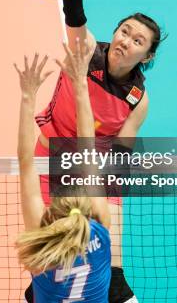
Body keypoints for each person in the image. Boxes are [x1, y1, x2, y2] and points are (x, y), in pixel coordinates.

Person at [35, 0, 166, 303]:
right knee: (54, 253)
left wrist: (99, 188)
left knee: (112, 265)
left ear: (148, 55)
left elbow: (122, 154)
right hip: (49, 159)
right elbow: (75, 15)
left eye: (138, 40)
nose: (126, 41)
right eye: (125, 31)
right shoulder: (87, 50)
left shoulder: (137, 98)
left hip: (96, 168)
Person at [15, 41, 111, 302]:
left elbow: (25, 162)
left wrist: (28, 95)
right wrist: (81, 83)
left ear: (52, 208)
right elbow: (88, 148)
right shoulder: (100, 228)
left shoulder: (41, 244)